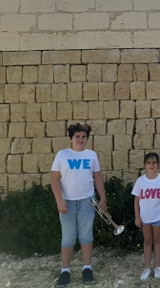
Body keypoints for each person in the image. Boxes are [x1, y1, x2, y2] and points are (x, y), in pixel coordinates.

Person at [50, 123, 107, 287]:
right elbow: (54, 179)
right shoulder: (62, 155)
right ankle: (65, 271)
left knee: (86, 236)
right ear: (71, 138)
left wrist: (103, 198)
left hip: (88, 202)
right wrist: (59, 200)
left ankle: (87, 269)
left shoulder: (91, 155)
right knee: (68, 238)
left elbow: (97, 177)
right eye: (77, 137)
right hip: (67, 202)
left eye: (84, 137)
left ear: (87, 139)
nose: (80, 140)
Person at [132, 152, 160, 281]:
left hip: (158, 217)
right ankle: (147, 267)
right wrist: (137, 217)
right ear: (145, 165)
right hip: (145, 218)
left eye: (154, 163)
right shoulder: (140, 181)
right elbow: (136, 200)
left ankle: (157, 266)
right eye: (149, 163)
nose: (151, 165)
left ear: (158, 164)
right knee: (147, 241)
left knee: (158, 240)